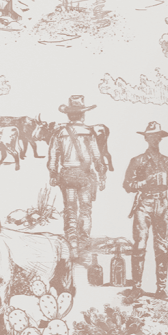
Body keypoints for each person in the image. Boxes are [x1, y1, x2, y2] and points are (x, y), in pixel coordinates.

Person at [123, 120, 168, 301]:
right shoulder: (137, 161)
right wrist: (145, 182)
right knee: (140, 245)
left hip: (162, 204)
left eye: (157, 136)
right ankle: (136, 288)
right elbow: (127, 185)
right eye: (151, 136)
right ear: (146, 138)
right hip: (144, 203)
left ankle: (161, 289)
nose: (155, 139)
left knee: (162, 246)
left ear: (160, 138)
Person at [47, 94, 109, 250]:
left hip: (67, 175)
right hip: (85, 176)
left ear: (69, 114)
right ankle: (83, 239)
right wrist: (102, 174)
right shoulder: (89, 132)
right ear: (83, 114)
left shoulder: (60, 132)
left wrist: (53, 174)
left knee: (70, 206)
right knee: (86, 207)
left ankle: (72, 239)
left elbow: (53, 155)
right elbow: (96, 155)